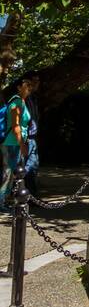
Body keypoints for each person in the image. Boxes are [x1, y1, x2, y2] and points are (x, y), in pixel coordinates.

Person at [1, 74, 32, 209]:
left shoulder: (23, 102)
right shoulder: (16, 102)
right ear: (19, 87)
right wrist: (22, 144)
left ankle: (9, 201)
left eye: (31, 86)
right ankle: (2, 202)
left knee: (15, 174)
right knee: (8, 174)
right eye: (27, 85)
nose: (29, 88)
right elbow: (16, 126)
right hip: (12, 143)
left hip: (16, 143)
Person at [22, 70, 39, 197]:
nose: (36, 84)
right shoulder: (22, 100)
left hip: (33, 137)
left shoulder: (33, 98)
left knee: (33, 167)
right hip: (26, 138)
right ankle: (28, 196)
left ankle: (31, 195)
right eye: (34, 81)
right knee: (28, 168)